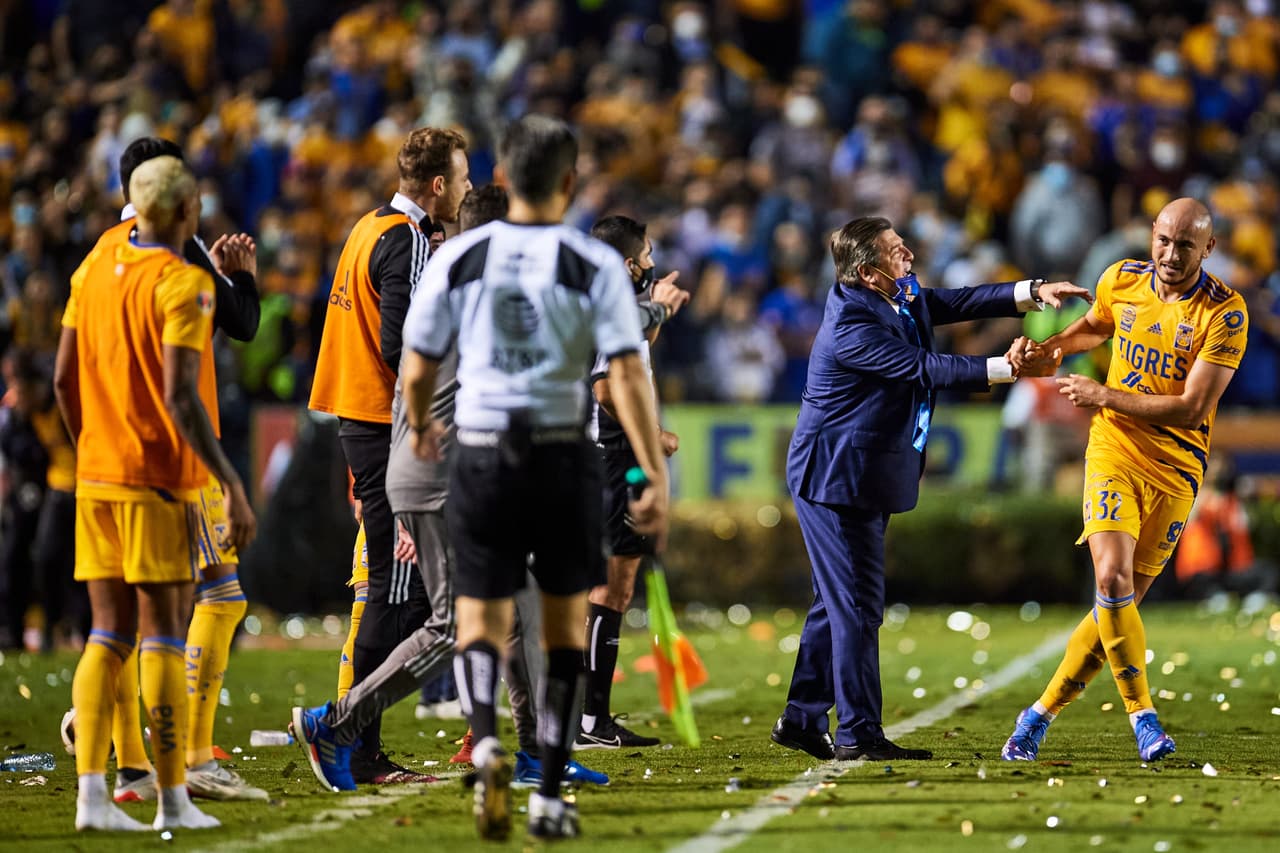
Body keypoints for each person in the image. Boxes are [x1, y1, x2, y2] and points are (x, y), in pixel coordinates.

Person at [405, 115, 668, 840]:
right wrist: (651, 472)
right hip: (561, 454)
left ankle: (486, 736)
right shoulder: (588, 263)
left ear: (499, 179)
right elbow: (625, 373)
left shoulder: (460, 257)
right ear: (568, 182)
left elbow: (419, 360)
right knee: (559, 627)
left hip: (483, 452)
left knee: (479, 618)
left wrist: (422, 421)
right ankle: (549, 790)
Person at [773, 215, 1090, 762]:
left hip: (864, 471)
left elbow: (951, 302)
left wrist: (1031, 292)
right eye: (897, 252)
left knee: (841, 603)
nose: (910, 256)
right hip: (832, 475)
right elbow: (921, 366)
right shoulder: (851, 324)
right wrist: (1003, 368)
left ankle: (803, 717)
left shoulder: (892, 290)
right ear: (870, 274)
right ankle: (857, 732)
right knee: (854, 606)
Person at [1001, 197, 1249, 762]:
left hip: (1177, 468)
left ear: (1208, 249)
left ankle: (1037, 715)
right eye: (1162, 239)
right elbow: (1094, 326)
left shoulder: (1224, 314)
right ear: (1151, 235)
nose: (1169, 253)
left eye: (1185, 244)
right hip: (1114, 449)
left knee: (1118, 605)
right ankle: (1144, 720)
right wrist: (1049, 351)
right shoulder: (1121, 279)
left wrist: (1101, 393)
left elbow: (1191, 409)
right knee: (1111, 582)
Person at [59, 136, 266, 804]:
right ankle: (191, 761)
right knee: (201, 606)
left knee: (110, 630)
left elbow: (63, 374)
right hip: (173, 461)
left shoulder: (93, 260)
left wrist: (89, 444)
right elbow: (237, 329)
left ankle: (123, 767)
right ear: (176, 197)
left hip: (101, 466)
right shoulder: (178, 262)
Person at [307, 126, 470, 783]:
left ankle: (353, 737)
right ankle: (355, 744)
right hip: (387, 426)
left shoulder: (369, 226)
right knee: (392, 590)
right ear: (437, 185)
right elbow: (403, 344)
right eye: (460, 177)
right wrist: (426, 421)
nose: (465, 187)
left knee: (398, 590)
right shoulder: (402, 241)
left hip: (362, 419)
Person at [578, 214, 682, 750]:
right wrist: (653, 436)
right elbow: (605, 388)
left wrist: (658, 305)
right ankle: (591, 719)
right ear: (626, 263)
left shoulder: (611, 303)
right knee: (611, 586)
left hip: (607, 456)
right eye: (646, 254)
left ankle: (582, 716)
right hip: (611, 455)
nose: (652, 262)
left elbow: (639, 341)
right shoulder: (607, 308)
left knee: (608, 584)